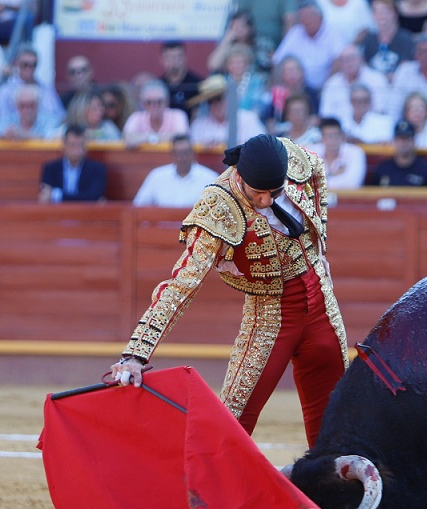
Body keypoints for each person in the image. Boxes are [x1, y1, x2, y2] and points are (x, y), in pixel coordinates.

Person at [110, 133, 348, 448]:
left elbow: (316, 169)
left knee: (337, 427)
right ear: (240, 176)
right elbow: (182, 283)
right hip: (269, 317)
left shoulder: (292, 159)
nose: (267, 201)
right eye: (258, 193)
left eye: (274, 192)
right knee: (230, 427)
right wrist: (136, 355)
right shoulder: (218, 206)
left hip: (321, 305)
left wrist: (321, 249)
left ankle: (328, 497)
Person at [272, 0, 346, 92]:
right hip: (297, 89)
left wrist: (327, 87)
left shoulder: (332, 32)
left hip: (324, 88)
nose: (306, 20)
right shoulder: (295, 32)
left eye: (309, 16)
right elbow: (277, 60)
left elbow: (340, 59)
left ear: (320, 16)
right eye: (302, 17)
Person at [133, 135, 219, 207]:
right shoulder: (157, 176)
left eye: (185, 153)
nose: (181, 158)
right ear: (172, 154)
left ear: (192, 153)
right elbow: (138, 208)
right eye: (177, 153)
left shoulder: (210, 179)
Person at [0, 45, 65, 129]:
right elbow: (3, 121)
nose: (29, 68)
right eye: (25, 64)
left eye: (33, 65)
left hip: (47, 138)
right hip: (16, 139)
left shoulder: (47, 89)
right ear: (16, 64)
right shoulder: (5, 91)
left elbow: (60, 117)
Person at [319, 45, 391, 125]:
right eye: (344, 60)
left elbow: (381, 111)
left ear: (361, 59)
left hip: (371, 129)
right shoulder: (331, 84)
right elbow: (326, 115)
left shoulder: (377, 80)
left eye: (352, 59)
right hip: (340, 132)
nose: (349, 63)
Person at [188, 75, 266, 148]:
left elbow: (261, 148)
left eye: (219, 98)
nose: (216, 104)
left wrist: (224, 145)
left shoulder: (248, 119)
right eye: (210, 101)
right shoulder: (198, 126)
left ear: (229, 97)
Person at [38, 126, 108, 203]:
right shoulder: (50, 168)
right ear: (64, 145)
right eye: (72, 145)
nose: (76, 150)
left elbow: (93, 197)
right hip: (56, 214)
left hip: (85, 213)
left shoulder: (97, 169)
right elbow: (45, 197)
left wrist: (57, 195)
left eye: (80, 145)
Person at [122, 80, 190, 147]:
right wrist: (155, 138)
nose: (154, 106)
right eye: (149, 102)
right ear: (143, 104)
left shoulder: (178, 115)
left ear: (167, 102)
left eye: (159, 102)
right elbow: (127, 138)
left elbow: (181, 137)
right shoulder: (136, 117)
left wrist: (144, 139)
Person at [361, 0, 416, 80]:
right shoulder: (369, 39)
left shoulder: (405, 38)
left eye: (385, 11)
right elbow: (365, 66)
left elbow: (406, 68)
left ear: (395, 14)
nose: (381, 16)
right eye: (377, 12)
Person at [371, 119, 427, 186]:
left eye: (407, 138)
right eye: (400, 139)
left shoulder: (426, 169)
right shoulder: (383, 169)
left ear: (414, 141)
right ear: (394, 141)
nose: (403, 143)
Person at [308, 117, 367, 189]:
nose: (332, 140)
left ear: (342, 136)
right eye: (328, 136)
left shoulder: (356, 152)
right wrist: (333, 176)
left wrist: (322, 181)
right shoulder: (311, 152)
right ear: (322, 138)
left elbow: (352, 184)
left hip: (345, 199)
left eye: (335, 136)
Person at [207, 10, 269, 74]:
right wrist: (226, 41)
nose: (238, 30)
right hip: (231, 80)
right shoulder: (228, 43)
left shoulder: (262, 42)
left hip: (257, 79)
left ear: (250, 28)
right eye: (235, 26)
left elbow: (272, 63)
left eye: (242, 26)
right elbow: (213, 65)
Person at [159, 41, 203, 120]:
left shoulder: (197, 84)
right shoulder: (158, 86)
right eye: (169, 58)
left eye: (178, 57)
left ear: (185, 57)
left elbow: (200, 113)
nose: (174, 61)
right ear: (162, 60)